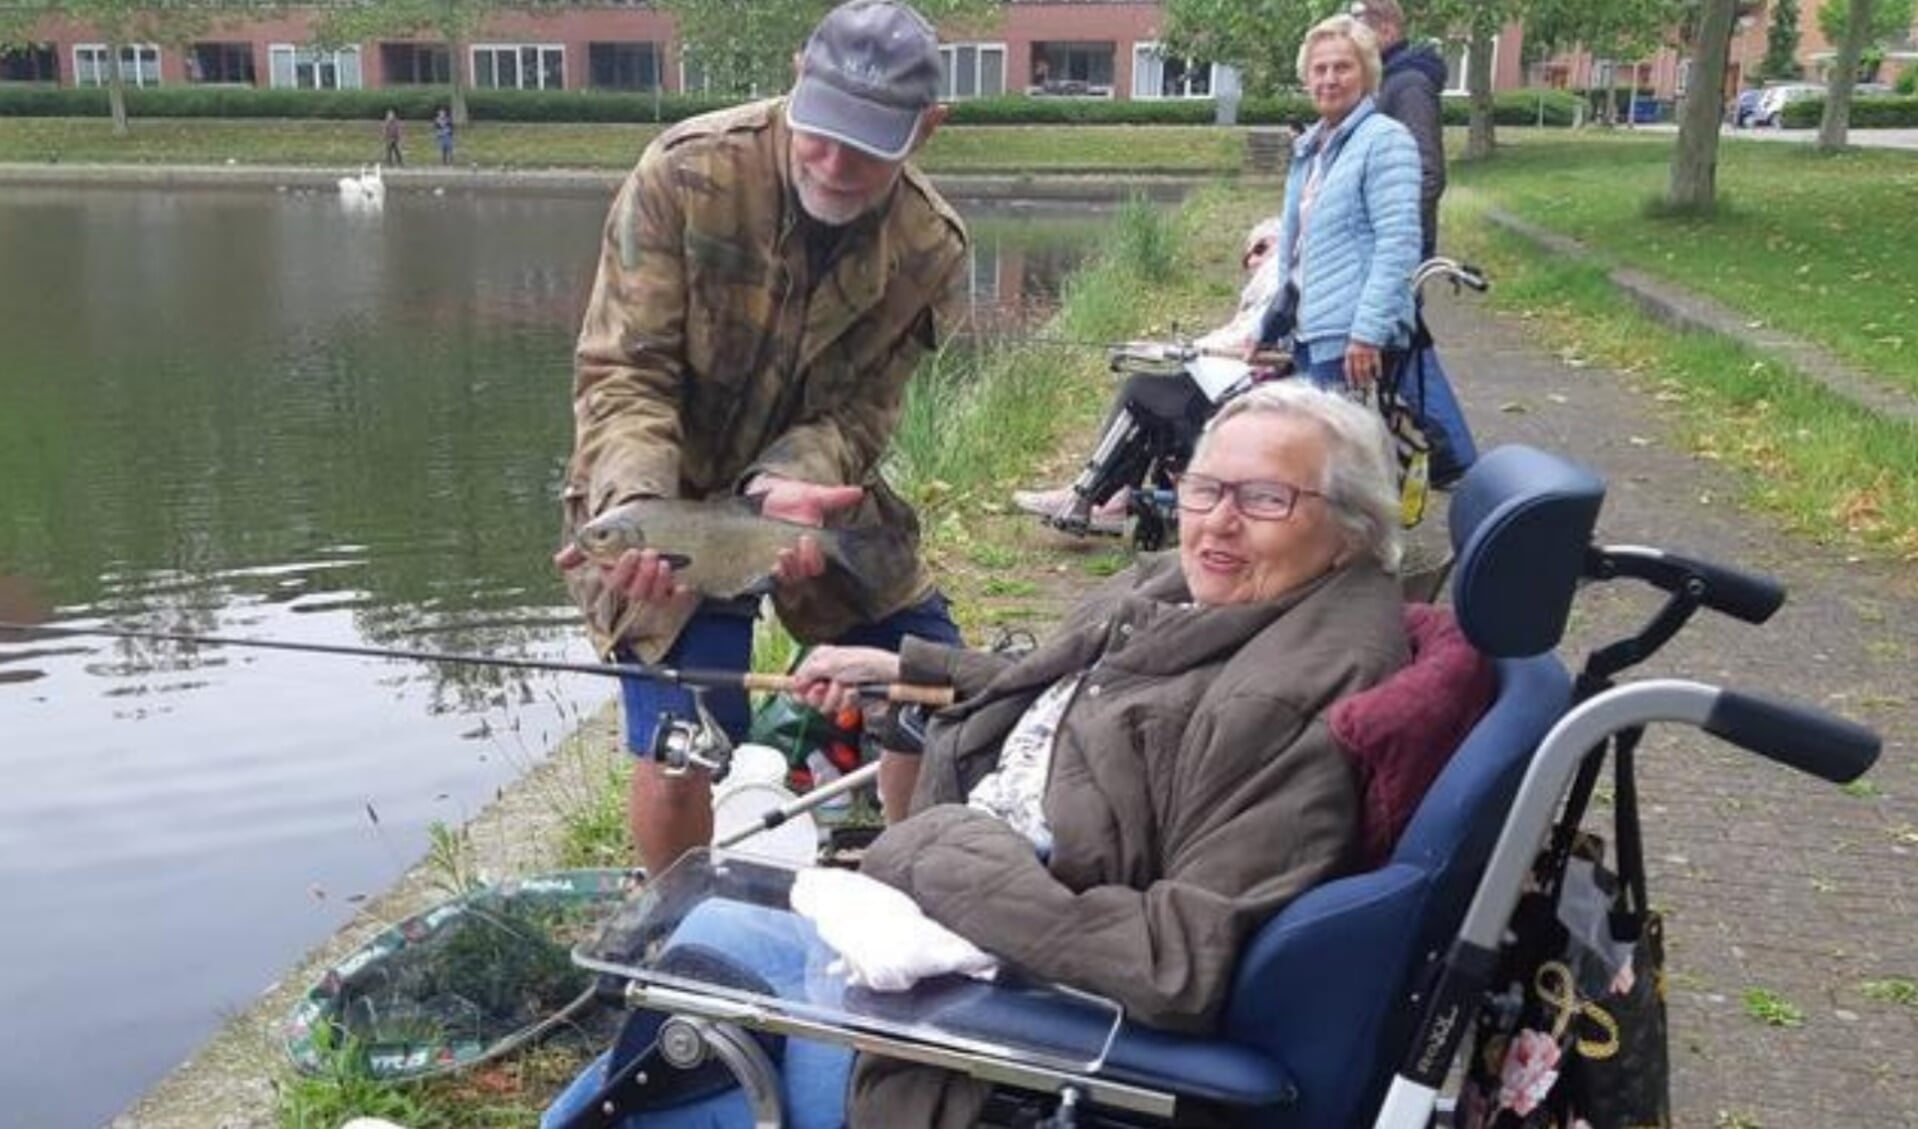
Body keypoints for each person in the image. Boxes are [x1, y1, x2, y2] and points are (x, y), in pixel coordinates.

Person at [556, 381, 1409, 1128]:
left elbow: (1175, 964)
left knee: (688, 1008)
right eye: (1204, 486)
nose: (1217, 520)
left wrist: (931, 857)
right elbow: (1071, 676)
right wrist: (907, 668)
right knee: (689, 962)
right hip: (952, 913)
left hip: (985, 1039)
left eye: (1264, 499)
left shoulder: (1287, 701)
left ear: (1349, 530)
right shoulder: (1205, 592)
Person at [554, 0, 970, 875]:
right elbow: (625, 374)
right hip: (660, 494)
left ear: (927, 128)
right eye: (820, 131)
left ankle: (910, 878)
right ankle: (681, 923)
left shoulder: (930, 244)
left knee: (933, 686)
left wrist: (786, 489)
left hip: (811, 499)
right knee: (682, 739)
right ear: (795, 79)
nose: (833, 160)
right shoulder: (685, 172)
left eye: (868, 143)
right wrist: (634, 508)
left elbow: (864, 413)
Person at [1009, 216, 1282, 532]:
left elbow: (1247, 341)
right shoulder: (1271, 284)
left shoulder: (1277, 280)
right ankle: (1105, 497)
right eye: (1246, 256)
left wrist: (1190, 350)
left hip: (1245, 394)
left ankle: (1091, 495)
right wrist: (1183, 348)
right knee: (1152, 390)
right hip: (1241, 385)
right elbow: (1236, 335)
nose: (1251, 261)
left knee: (1143, 387)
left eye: (1258, 249)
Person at [1258, 13, 1422, 391]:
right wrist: (1271, 326)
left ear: (1366, 75)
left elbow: (1398, 244)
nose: (1329, 79)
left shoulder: (1384, 140)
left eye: (1343, 67)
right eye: (1320, 69)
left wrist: (1366, 333)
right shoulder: (1313, 148)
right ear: (1307, 79)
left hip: (1351, 340)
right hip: (1309, 332)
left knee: (1342, 449)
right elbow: (1299, 252)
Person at [1352, 0, 1446, 258]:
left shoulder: (1409, 86)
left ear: (1387, 31)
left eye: (1360, 30)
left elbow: (1428, 175)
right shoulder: (1384, 81)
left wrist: (1389, 231)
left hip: (1397, 249)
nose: (1352, 41)